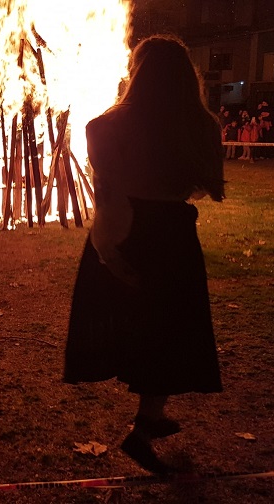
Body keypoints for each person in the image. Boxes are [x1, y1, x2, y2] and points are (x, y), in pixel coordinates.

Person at [63, 35, 224, 474]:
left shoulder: (103, 126)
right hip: (170, 233)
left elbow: (107, 193)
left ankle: (151, 417)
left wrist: (108, 249)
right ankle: (146, 422)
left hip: (122, 228)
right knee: (168, 328)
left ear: (138, 74)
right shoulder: (202, 126)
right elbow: (211, 188)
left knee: (134, 325)